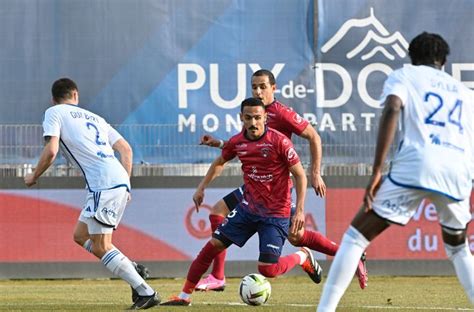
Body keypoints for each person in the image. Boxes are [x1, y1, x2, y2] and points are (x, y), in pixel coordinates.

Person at [317, 32, 474, 311]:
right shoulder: (465, 93)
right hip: (457, 172)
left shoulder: (405, 75)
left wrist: (377, 170)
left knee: (356, 236)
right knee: (458, 247)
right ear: (444, 61)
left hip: (417, 164)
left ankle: (325, 310)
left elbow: (392, 107)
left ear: (412, 59)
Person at [195, 69, 368, 291]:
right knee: (218, 211)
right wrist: (219, 144)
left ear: (273, 88)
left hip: (277, 188)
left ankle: (347, 255)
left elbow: (314, 136)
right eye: (254, 87)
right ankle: (217, 277)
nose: (258, 91)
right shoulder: (253, 112)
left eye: (262, 87)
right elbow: (243, 144)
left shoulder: (281, 114)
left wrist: (315, 172)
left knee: (296, 236)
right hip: (256, 185)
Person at [161, 98, 322, 306]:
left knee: (267, 269)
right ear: (241, 118)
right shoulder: (238, 142)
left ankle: (302, 257)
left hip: (276, 213)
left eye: (257, 117)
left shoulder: (280, 141)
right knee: (212, 246)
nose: (253, 122)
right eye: (248, 118)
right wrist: (202, 187)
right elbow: (220, 161)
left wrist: (299, 211)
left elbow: (300, 175)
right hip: (248, 209)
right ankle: (183, 296)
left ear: (265, 118)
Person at [24, 78, 160, 310]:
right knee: (80, 236)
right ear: (75, 95)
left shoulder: (54, 112)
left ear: (53, 98)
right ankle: (130, 266)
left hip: (103, 184)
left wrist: (34, 175)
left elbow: (52, 149)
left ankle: (146, 292)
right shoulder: (95, 117)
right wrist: (126, 184)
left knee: (101, 246)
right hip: (114, 180)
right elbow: (125, 149)